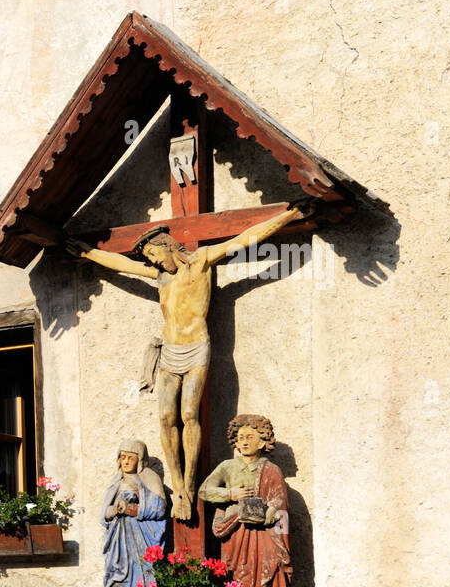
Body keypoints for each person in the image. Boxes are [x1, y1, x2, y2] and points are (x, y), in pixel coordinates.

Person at [67, 200, 316, 522]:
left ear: (168, 246)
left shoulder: (201, 262)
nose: (153, 261)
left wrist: (290, 215)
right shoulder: (159, 276)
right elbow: (118, 264)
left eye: (155, 254)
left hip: (197, 346)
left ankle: (189, 482)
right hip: (170, 350)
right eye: (149, 259)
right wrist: (87, 252)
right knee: (165, 417)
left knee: (188, 413)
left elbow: (245, 238)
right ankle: (178, 486)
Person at [197, 414, 292, 587]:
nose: (245, 441)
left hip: (264, 544)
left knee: (265, 585)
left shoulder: (271, 470)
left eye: (251, 436)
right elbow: (205, 491)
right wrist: (231, 494)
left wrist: (263, 515)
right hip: (236, 540)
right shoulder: (228, 467)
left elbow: (279, 505)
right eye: (240, 438)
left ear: (263, 442)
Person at [102, 438, 167, 587]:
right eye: (122, 456)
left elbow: (160, 508)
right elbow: (104, 514)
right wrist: (112, 510)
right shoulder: (116, 481)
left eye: (131, 456)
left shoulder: (149, 478)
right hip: (118, 549)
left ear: (140, 459)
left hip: (140, 545)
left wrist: (131, 508)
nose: (126, 461)